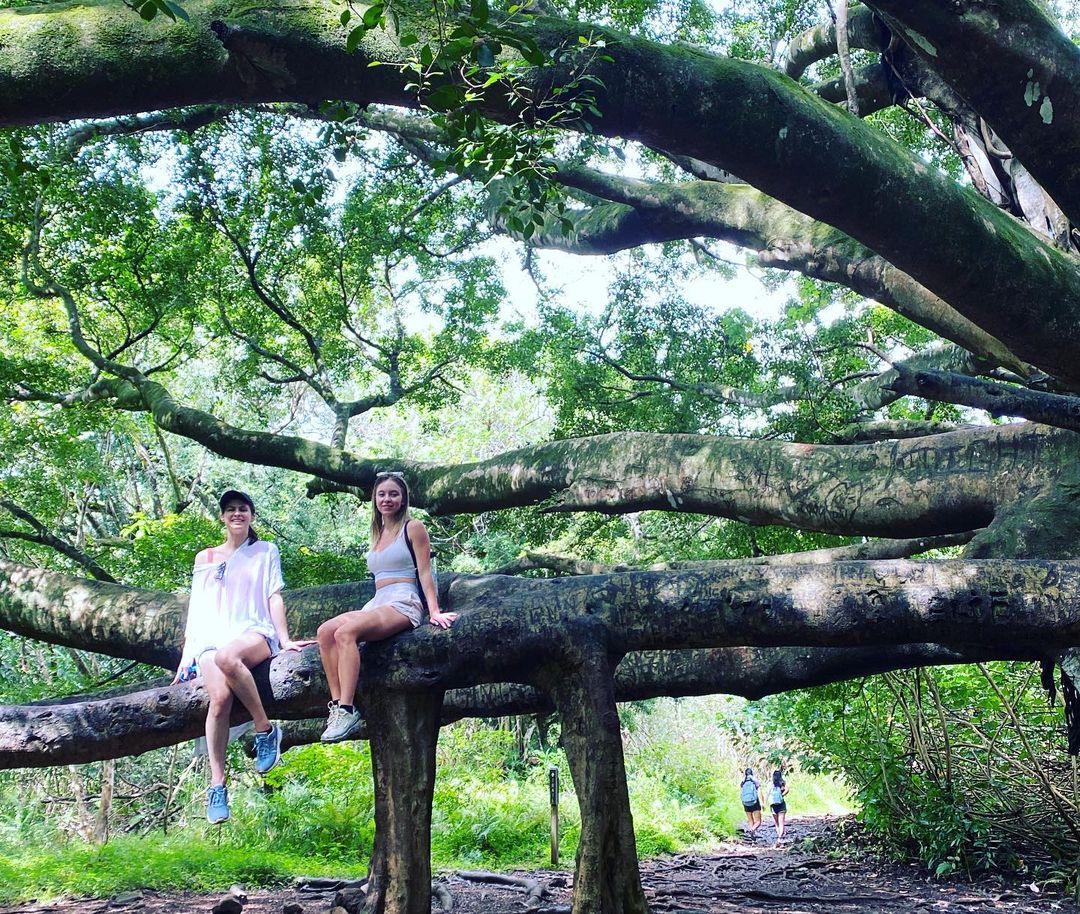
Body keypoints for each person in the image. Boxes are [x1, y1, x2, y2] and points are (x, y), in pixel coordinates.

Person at [173, 490, 312, 824]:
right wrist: (186, 655)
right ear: (222, 516)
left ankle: (265, 730)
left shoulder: (265, 550)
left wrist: (285, 638)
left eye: (243, 509)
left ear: (252, 515)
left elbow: (274, 595)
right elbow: (198, 608)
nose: (237, 514)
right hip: (210, 639)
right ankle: (217, 785)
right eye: (231, 510)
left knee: (227, 657)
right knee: (218, 699)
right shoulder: (204, 557)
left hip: (253, 632)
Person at [317, 471, 458, 743]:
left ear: (403, 497)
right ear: (374, 498)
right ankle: (337, 706)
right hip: (378, 601)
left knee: (345, 634)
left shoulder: (413, 527)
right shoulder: (377, 531)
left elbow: (426, 573)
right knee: (325, 632)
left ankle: (347, 708)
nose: (387, 499)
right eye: (382, 494)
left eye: (393, 493)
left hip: (403, 601)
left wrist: (434, 611)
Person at [739, 767, 762, 839]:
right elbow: (759, 787)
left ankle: (752, 835)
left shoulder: (743, 781)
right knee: (758, 821)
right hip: (755, 802)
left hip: (745, 803)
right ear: (752, 773)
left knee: (750, 820)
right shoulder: (754, 779)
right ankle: (752, 830)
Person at [769, 768, 789, 845]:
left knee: (776, 823)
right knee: (781, 823)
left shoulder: (771, 784)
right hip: (781, 805)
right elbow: (787, 790)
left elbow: (768, 793)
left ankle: (779, 836)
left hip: (773, 805)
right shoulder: (782, 783)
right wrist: (782, 795)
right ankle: (780, 837)